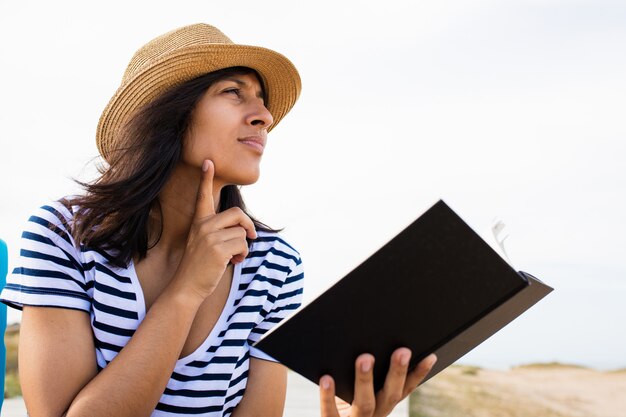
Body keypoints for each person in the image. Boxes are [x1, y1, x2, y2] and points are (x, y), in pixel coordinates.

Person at [0, 23, 436, 417]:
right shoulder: (65, 233)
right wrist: (187, 289)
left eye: (262, 103)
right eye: (234, 92)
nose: (264, 117)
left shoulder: (273, 266)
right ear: (168, 114)